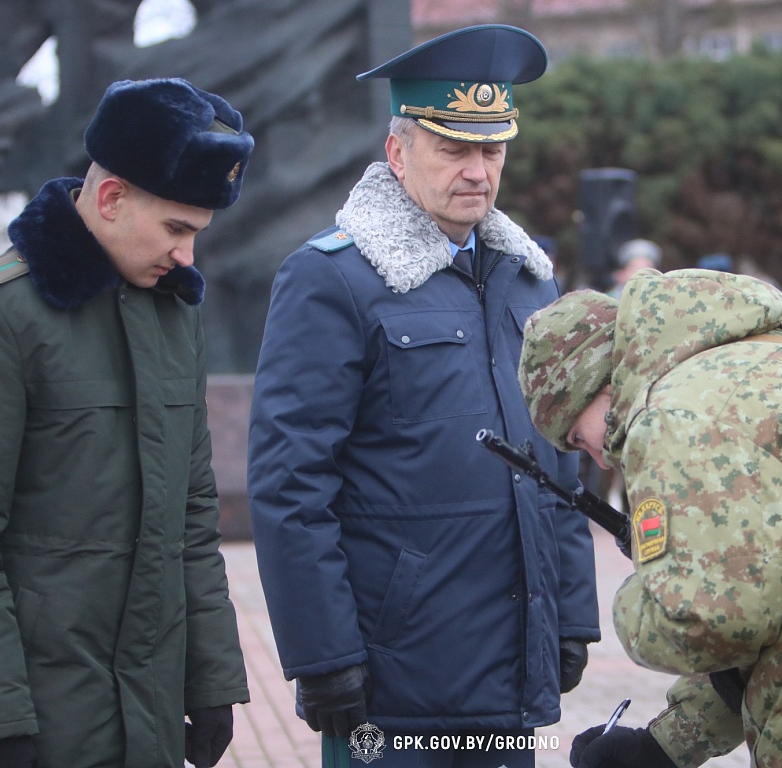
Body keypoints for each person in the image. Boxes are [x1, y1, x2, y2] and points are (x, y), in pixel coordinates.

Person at [246, 24, 600, 768]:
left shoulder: (530, 281)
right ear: (398, 152)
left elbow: (558, 465)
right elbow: (290, 481)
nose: (477, 171)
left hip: (511, 664)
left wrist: (571, 613)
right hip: (391, 675)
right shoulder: (332, 278)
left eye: (492, 150)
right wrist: (322, 653)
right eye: (453, 148)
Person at [0, 78, 254, 768]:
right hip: (39, 726)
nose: (187, 256)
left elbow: (193, 517)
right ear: (110, 199)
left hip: (150, 721)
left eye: (198, 234)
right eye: (176, 229)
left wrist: (213, 681)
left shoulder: (173, 316)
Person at [517, 271, 782, 767]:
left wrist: (646, 590)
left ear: (596, 384)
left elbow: (713, 621)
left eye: (578, 437)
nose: (599, 458)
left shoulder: (680, 412)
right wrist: (667, 744)